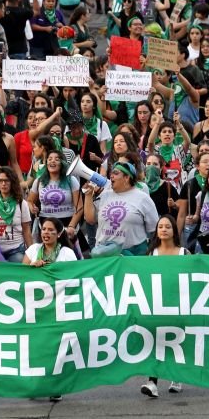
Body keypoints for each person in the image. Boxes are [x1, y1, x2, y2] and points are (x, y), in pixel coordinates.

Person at [141, 215, 187, 398]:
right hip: (157, 304)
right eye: (160, 226)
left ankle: (176, 376)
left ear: (174, 231)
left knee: (176, 342)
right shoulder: (151, 253)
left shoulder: (184, 253)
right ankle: (152, 382)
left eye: (168, 226)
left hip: (179, 304)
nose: (164, 229)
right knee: (156, 342)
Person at [84, 161, 158, 256]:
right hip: (104, 254)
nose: (111, 176)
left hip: (132, 256)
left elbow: (154, 230)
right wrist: (88, 195)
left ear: (127, 178)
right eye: (111, 173)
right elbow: (90, 220)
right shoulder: (105, 195)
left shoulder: (143, 198)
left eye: (116, 173)